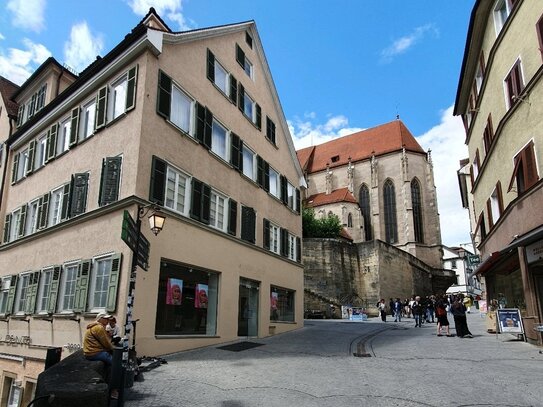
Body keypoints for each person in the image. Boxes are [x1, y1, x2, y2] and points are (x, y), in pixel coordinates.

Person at [84, 312, 118, 399]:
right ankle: (113, 390)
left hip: (89, 352)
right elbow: (106, 343)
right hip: (95, 352)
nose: (107, 320)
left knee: (110, 363)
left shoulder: (94, 327)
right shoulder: (99, 328)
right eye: (106, 319)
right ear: (100, 319)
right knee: (115, 364)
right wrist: (113, 349)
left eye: (108, 319)